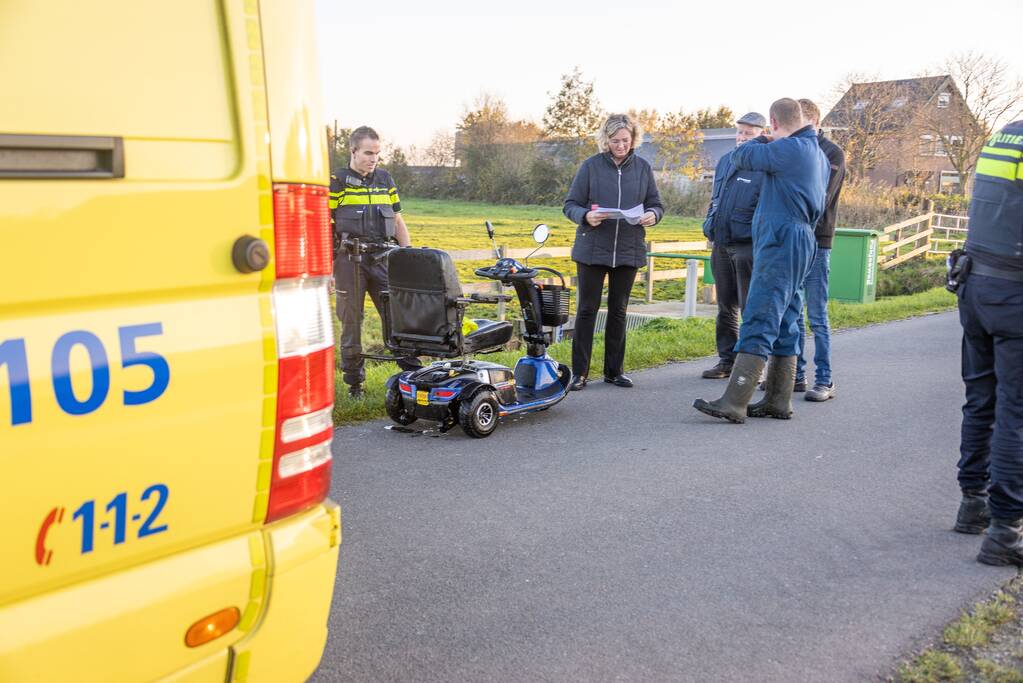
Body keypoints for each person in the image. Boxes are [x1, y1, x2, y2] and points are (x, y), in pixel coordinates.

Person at [693, 98, 828, 423]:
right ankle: (778, 399)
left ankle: (735, 400)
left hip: (781, 239)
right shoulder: (817, 154)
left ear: (774, 122)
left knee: (760, 313)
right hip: (800, 238)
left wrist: (762, 138)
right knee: (785, 317)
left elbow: (740, 157)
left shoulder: (789, 148)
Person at [950, 118, 1023, 566]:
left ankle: (971, 502)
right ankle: (1005, 532)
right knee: (1015, 412)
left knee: (981, 400)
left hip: (975, 285)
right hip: (1015, 294)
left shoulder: (1007, 132)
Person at [563, 113, 664, 391]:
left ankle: (614, 371)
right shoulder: (591, 167)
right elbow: (570, 204)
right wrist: (585, 216)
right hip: (593, 248)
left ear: (633, 140)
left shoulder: (643, 168)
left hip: (629, 249)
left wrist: (653, 214)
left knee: (619, 311)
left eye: (625, 140)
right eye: (615, 140)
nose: (620, 145)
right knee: (587, 310)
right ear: (605, 140)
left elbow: (656, 204)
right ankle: (579, 373)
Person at [330, 126, 412, 398]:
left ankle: (410, 376)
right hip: (348, 262)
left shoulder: (385, 179)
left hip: (383, 260)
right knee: (352, 322)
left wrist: (408, 254)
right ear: (352, 151)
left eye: (377, 153)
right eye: (367, 152)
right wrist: (326, 270)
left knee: (396, 317)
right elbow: (323, 224)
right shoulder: (336, 181)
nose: (373, 158)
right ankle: (355, 385)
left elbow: (398, 220)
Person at [701, 112, 767, 380]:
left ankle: (752, 367)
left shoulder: (765, 164)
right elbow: (716, 198)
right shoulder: (726, 160)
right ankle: (726, 360)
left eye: (748, 134)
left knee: (749, 308)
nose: (741, 138)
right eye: (740, 132)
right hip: (721, 242)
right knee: (725, 306)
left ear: (762, 134)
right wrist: (710, 224)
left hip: (747, 246)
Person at [793, 98, 846, 402]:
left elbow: (820, 199)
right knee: (793, 312)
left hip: (817, 240)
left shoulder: (832, 153)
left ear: (811, 120)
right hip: (795, 240)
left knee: (817, 313)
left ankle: (824, 379)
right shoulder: (795, 149)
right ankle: (797, 374)